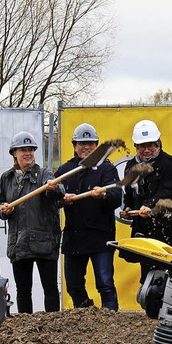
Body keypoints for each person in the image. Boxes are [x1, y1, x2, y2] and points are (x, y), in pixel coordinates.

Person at [0, 131, 64, 313]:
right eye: (23, 150)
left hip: (44, 242)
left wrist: (54, 188)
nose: (28, 154)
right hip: (19, 243)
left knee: (50, 289)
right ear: (14, 154)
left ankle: (53, 329)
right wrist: (4, 210)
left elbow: (58, 193)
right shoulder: (6, 178)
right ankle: (27, 330)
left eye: (31, 150)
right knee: (23, 291)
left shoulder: (44, 174)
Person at [55, 123, 121, 310]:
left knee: (105, 284)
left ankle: (110, 322)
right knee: (74, 286)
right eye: (82, 143)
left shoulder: (107, 169)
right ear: (74, 145)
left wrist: (104, 194)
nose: (86, 147)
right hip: (74, 238)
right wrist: (61, 200)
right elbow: (52, 197)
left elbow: (117, 197)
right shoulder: (65, 170)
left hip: (101, 238)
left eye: (91, 143)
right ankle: (86, 319)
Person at [122, 119, 172, 283]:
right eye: (142, 146)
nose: (146, 150)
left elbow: (169, 192)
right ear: (136, 147)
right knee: (148, 277)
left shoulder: (171, 165)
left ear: (158, 144)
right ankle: (152, 306)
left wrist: (149, 205)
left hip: (171, 230)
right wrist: (128, 208)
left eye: (151, 145)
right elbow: (130, 193)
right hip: (146, 233)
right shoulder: (131, 166)